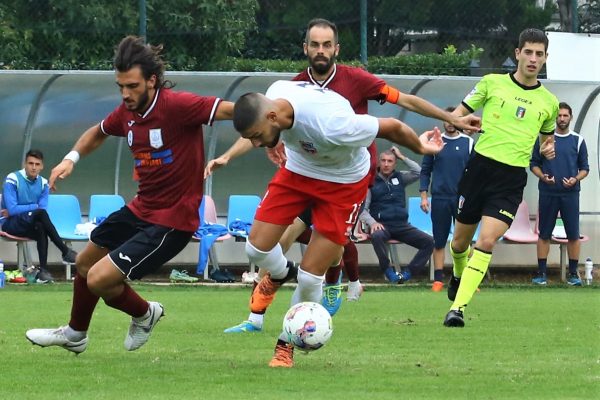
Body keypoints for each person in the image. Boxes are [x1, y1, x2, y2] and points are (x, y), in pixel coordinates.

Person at [208, 17, 481, 334]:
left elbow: (401, 107)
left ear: (336, 49)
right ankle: (270, 298)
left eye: (327, 45)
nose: (320, 51)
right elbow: (258, 123)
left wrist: (448, 122)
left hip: (345, 180)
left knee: (321, 261)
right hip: (301, 171)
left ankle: (309, 313)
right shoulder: (285, 89)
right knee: (264, 246)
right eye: (315, 44)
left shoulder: (350, 91)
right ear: (305, 48)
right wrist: (236, 152)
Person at [25, 36, 234, 353]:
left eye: (132, 86)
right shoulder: (127, 112)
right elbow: (98, 132)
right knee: (84, 264)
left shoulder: (177, 106)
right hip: (140, 210)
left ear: (152, 80)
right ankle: (75, 334)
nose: (125, 94)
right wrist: (71, 159)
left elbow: (229, 110)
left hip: (172, 222)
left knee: (98, 279)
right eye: (120, 86)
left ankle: (145, 313)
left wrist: (271, 115)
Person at [233, 79, 444, 367]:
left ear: (271, 118)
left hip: (343, 185)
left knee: (309, 278)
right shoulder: (274, 93)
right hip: (298, 172)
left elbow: (393, 127)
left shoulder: (332, 123)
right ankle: (280, 273)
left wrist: (422, 146)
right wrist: (276, 140)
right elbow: (274, 127)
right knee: (255, 249)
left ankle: (285, 345)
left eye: (257, 136)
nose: (256, 143)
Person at [443, 28, 559, 327]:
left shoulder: (549, 103)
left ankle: (457, 309)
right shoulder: (491, 83)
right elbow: (457, 115)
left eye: (540, 54)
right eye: (529, 52)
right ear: (517, 53)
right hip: (479, 169)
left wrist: (548, 151)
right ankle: (457, 274)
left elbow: (547, 142)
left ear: (546, 59)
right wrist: (457, 124)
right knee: (459, 244)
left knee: (487, 241)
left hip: (510, 179)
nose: (534, 59)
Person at [530, 102, 589, 286]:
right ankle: (541, 274)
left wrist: (575, 179)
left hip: (571, 194)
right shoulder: (544, 139)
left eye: (565, 115)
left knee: (573, 234)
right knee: (544, 234)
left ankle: (572, 274)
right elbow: (533, 164)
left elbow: (585, 168)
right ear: (555, 118)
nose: (562, 119)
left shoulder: (578, 140)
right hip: (547, 192)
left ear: (570, 117)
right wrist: (543, 177)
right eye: (559, 116)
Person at [1, 149, 78, 283]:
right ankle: (65, 251)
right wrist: (34, 206)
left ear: (41, 166)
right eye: (31, 163)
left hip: (29, 223)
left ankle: (43, 272)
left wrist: (27, 208)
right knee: (40, 214)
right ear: (25, 164)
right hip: (10, 224)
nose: (34, 167)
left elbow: (39, 207)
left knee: (40, 225)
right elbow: (12, 210)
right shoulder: (12, 179)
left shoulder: (43, 183)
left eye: (37, 164)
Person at [419, 107, 474, 291]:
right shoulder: (435, 142)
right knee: (439, 240)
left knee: (464, 241)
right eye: (447, 120)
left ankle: (467, 279)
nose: (450, 123)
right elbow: (425, 171)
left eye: (454, 120)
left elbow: (475, 172)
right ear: (443, 121)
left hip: (462, 199)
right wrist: (424, 196)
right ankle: (438, 280)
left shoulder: (468, 142)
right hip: (440, 198)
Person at [360, 147, 434, 283]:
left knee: (429, 242)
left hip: (402, 225)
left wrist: (402, 157)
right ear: (378, 163)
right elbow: (362, 210)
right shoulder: (371, 182)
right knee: (376, 236)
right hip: (382, 226)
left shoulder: (401, 177)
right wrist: (373, 223)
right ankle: (388, 270)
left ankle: (408, 273)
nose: (386, 164)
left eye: (390, 161)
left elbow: (419, 172)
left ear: (394, 164)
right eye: (383, 161)